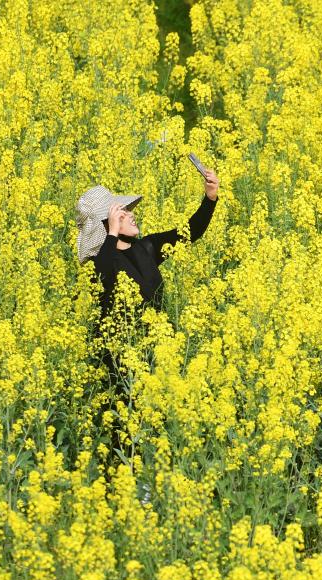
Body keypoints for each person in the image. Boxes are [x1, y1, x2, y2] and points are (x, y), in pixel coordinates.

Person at [74, 169, 220, 473]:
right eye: (122, 213)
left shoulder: (147, 248)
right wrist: (111, 235)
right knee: (126, 438)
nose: (131, 215)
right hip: (119, 363)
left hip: (155, 355)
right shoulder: (98, 265)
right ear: (107, 224)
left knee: (157, 433)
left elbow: (188, 232)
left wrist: (209, 198)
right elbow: (107, 273)